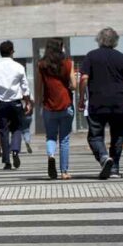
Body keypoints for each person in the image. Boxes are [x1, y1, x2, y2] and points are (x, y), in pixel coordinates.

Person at [78, 27, 123, 179]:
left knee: (94, 136)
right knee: (118, 135)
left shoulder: (91, 56)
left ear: (99, 40)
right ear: (115, 41)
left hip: (97, 102)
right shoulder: (122, 57)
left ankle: (104, 157)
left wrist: (81, 99)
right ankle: (114, 169)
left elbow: (84, 78)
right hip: (118, 103)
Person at [0, 40, 32, 170]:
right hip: (15, 102)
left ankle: (6, 161)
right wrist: (27, 101)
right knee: (16, 128)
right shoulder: (18, 67)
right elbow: (25, 87)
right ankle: (15, 150)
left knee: (3, 131)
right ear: (12, 51)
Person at [38, 37, 76, 180]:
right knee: (64, 139)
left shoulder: (42, 64)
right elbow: (74, 85)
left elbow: (39, 86)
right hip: (65, 105)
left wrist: (38, 102)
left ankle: (51, 156)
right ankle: (64, 172)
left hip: (49, 106)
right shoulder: (68, 63)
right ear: (60, 48)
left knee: (51, 136)